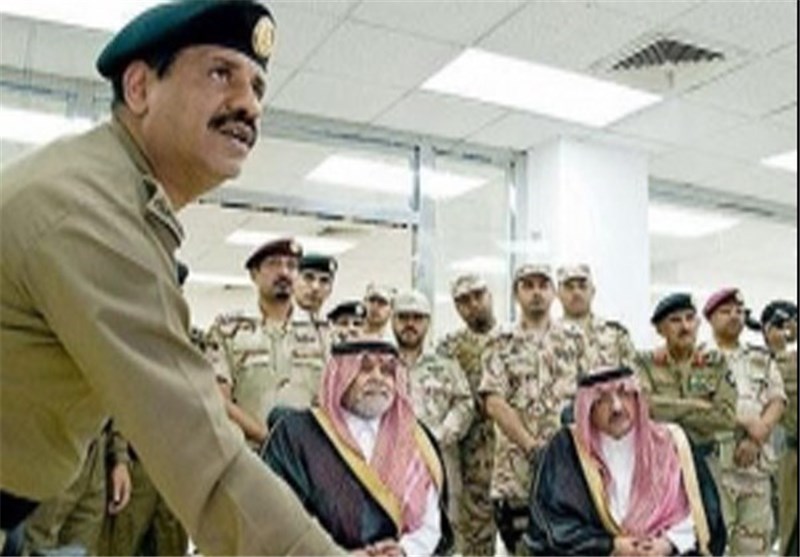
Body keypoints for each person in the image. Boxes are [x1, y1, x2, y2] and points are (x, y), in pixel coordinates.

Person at [0, 1, 342, 554]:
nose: (249, 104)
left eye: (257, 86)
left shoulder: (116, 195)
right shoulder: (89, 214)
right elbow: (202, 454)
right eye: (220, 73)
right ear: (139, 88)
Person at [262, 340, 453, 556]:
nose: (378, 378)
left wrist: (404, 550)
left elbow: (430, 524)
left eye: (387, 371)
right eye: (365, 368)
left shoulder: (417, 438)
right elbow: (277, 516)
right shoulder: (298, 434)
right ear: (340, 375)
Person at [528, 366, 727, 556]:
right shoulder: (566, 449)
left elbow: (703, 514)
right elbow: (552, 525)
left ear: (636, 397)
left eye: (624, 394)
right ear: (587, 408)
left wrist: (669, 544)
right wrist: (610, 546)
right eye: (602, 400)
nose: (616, 407)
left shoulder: (672, 442)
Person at [480, 264, 576, 554]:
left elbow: (589, 398)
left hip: (568, 472)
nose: (536, 293)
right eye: (528, 285)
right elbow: (493, 401)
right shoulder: (499, 340)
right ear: (516, 294)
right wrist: (532, 447)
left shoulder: (575, 339)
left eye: (543, 285)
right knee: (521, 550)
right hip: (516, 475)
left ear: (554, 292)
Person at [207, 238, 330, 445]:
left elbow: (331, 400)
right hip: (248, 453)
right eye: (274, 264)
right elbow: (218, 399)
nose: (284, 272)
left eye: (291, 266)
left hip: (305, 454)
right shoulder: (228, 331)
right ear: (254, 274)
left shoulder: (323, 333)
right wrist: (267, 439)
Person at [705, 288, 786, 555]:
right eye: (726, 311)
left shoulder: (760, 357)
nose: (734, 316)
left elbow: (777, 399)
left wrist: (758, 434)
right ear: (710, 318)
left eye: (739, 311)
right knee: (712, 543)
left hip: (755, 469)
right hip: (716, 467)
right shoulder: (700, 359)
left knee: (754, 546)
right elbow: (699, 406)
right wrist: (745, 421)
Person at [392, 290, 474, 550]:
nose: (410, 324)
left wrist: (441, 434)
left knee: (443, 536)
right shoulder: (379, 364)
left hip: (440, 464)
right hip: (391, 464)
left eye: (418, 318)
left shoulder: (446, 365)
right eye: (403, 317)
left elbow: (465, 403)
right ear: (393, 320)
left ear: (428, 322)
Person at [436, 274, 500, 556]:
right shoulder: (448, 348)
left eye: (478, 296)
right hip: (471, 460)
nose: (473, 304)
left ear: (490, 296)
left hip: (513, 455)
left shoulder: (513, 338)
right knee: (475, 541)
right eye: (463, 301)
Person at [635, 293, 738, 467]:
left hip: (705, 459)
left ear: (697, 324)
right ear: (660, 330)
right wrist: (696, 405)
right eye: (675, 321)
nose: (685, 327)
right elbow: (645, 408)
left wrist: (668, 410)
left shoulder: (715, 363)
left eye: (690, 318)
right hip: (660, 462)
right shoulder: (645, 363)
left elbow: (726, 417)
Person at [555, 264, 637, 372]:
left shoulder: (616, 335)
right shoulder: (548, 338)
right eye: (569, 288)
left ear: (593, 291)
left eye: (582, 287)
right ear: (558, 294)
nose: (576, 292)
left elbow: (632, 376)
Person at [295, 254, 337, 320]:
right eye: (309, 278)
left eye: (324, 280)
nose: (316, 287)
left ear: (330, 289)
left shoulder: (328, 323)